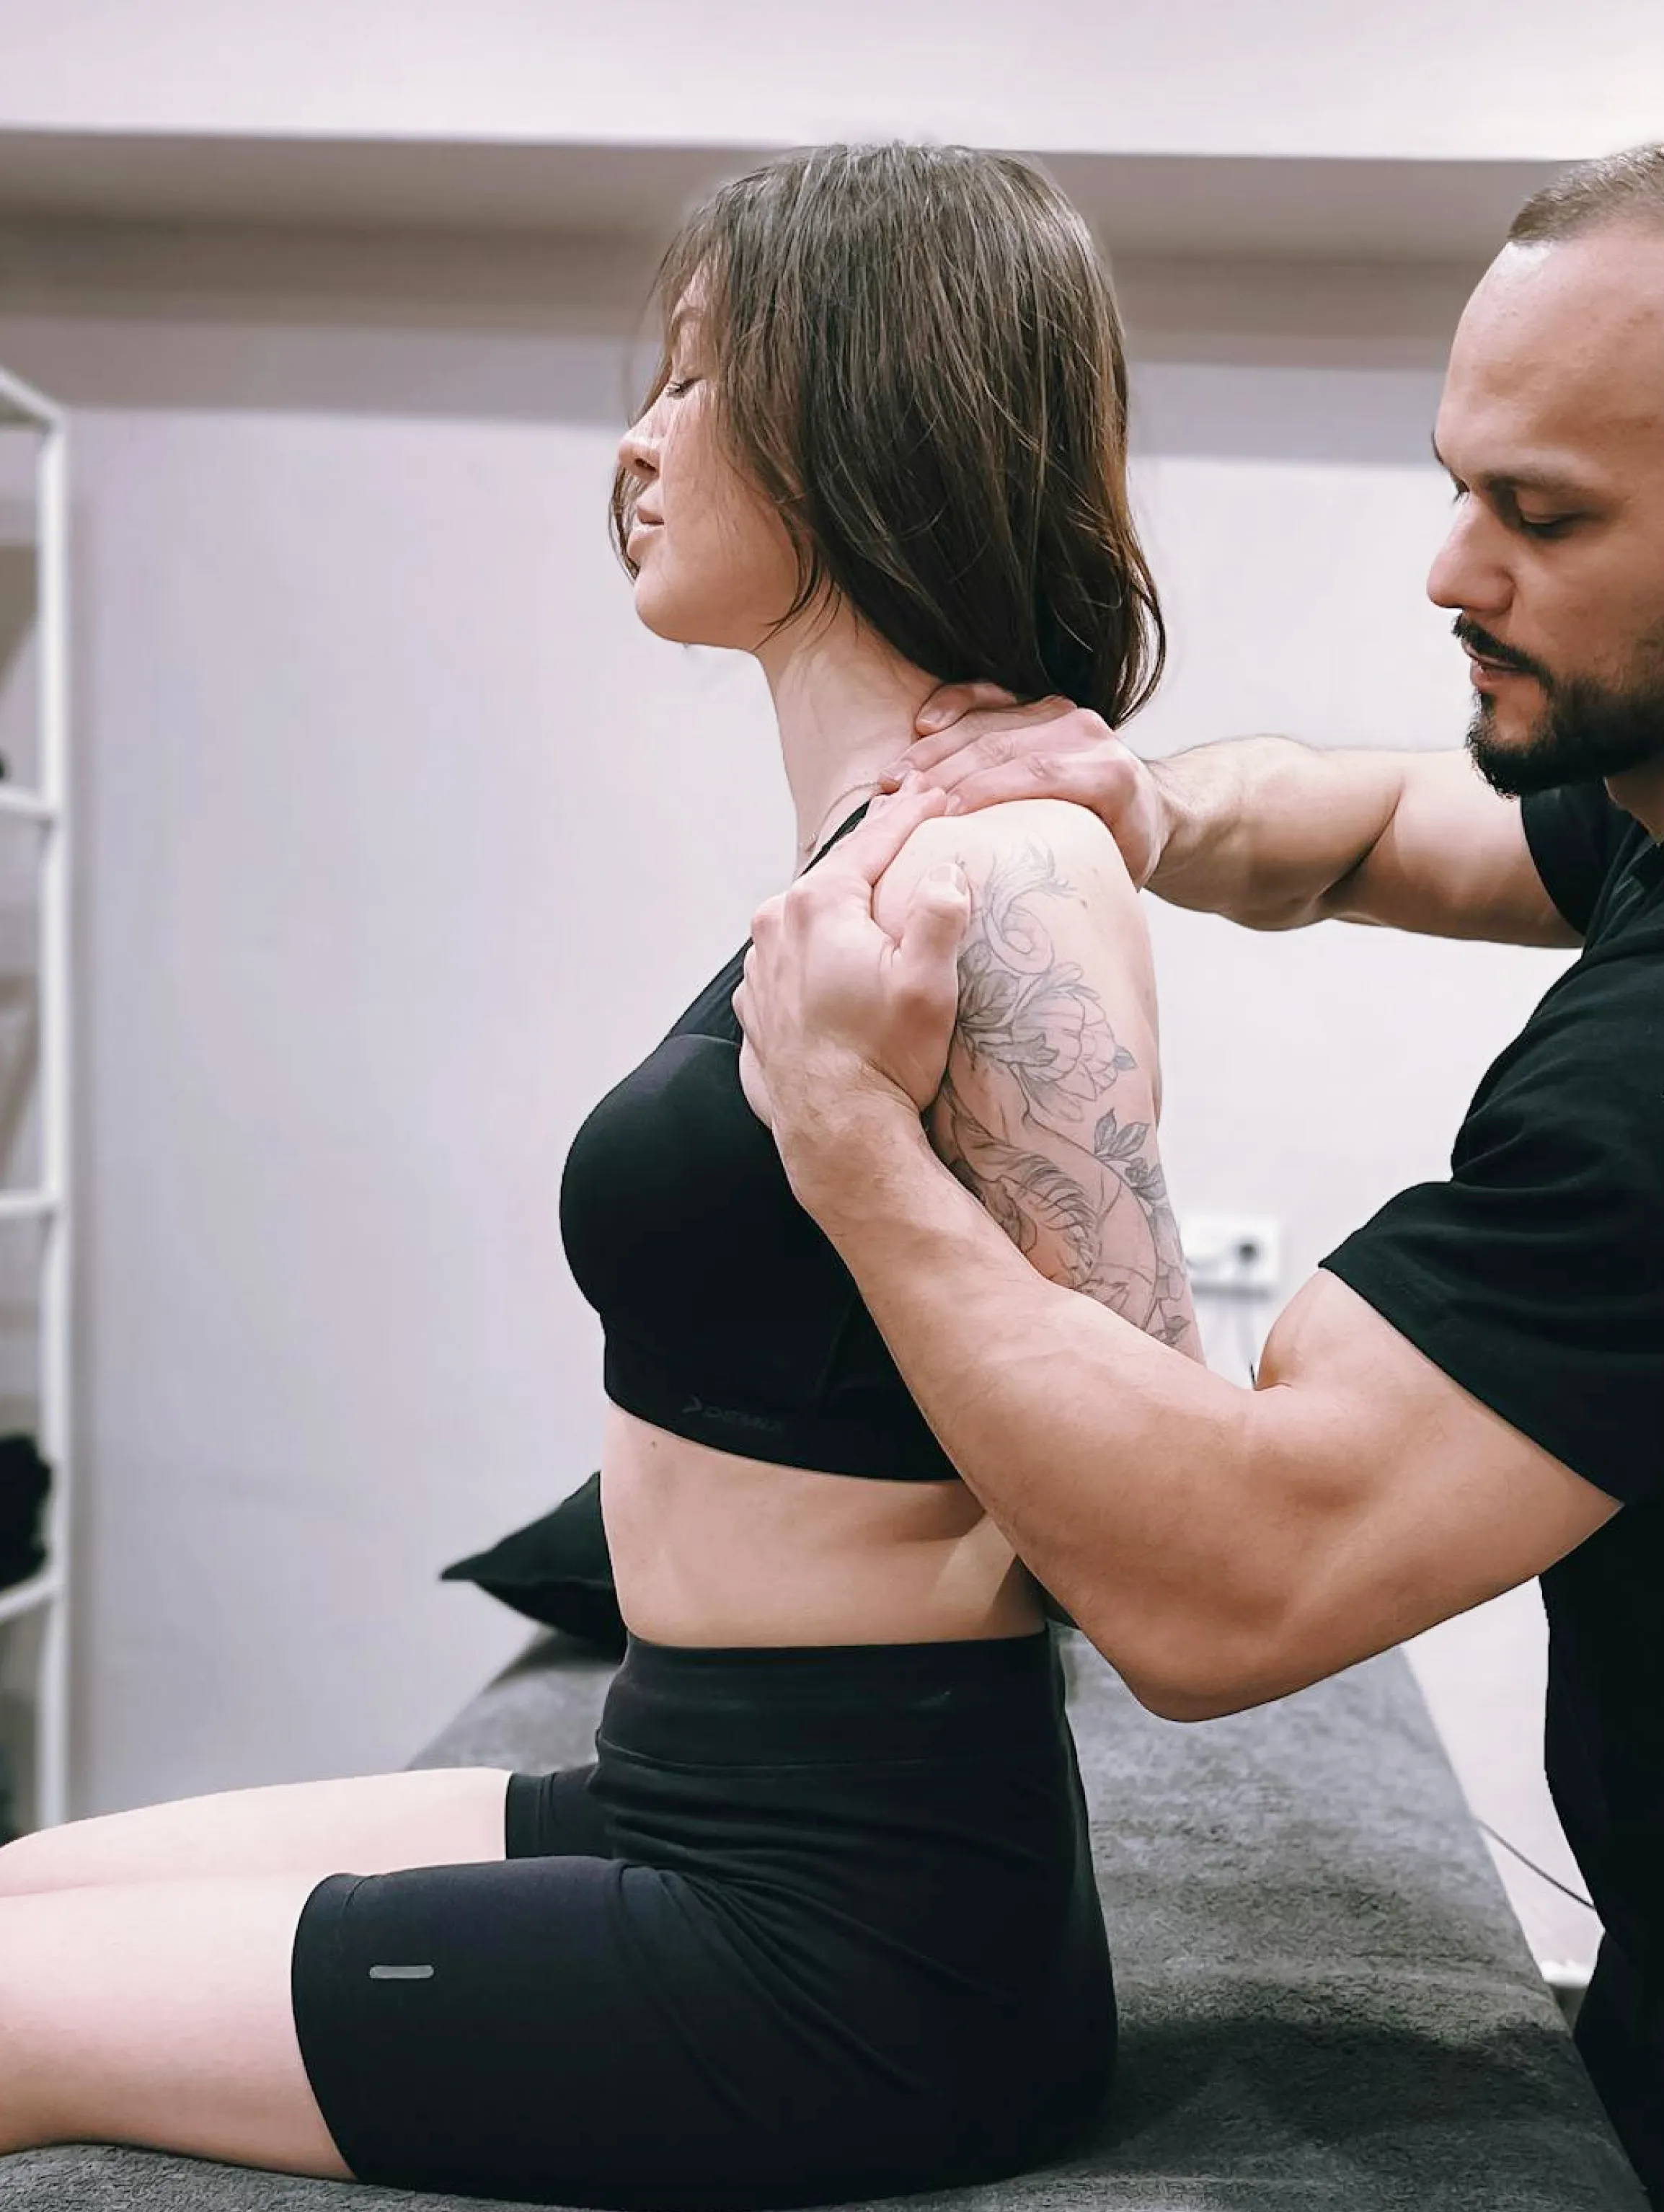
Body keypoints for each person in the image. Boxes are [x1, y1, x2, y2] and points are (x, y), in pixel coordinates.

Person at [735, 129, 1664, 2212]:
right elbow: (1378, 826)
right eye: (1457, 480)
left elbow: (1230, 1584)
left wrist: (849, 1146)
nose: (1453, 568)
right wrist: (1130, 803)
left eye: (1539, 513)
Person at [0, 145, 1194, 2208]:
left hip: (846, 1942)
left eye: (693, 377)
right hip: (688, 1790)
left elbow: (1153, 1492)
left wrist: (841, 1153)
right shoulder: (877, 855)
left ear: (858, 402)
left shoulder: (1001, 871)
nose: (634, 444)